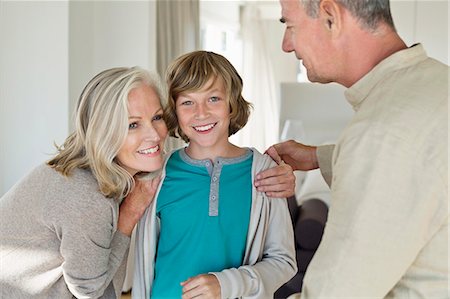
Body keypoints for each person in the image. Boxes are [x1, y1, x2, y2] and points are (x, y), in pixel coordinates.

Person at [261, 0, 449, 297]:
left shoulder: (381, 133)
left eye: (289, 25)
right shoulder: (438, 84)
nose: (286, 45)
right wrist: (318, 157)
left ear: (330, 17)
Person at [132, 50, 297, 299]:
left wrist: (227, 283)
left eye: (214, 99)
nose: (201, 113)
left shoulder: (265, 173)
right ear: (174, 111)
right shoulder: (157, 174)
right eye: (188, 102)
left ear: (232, 104)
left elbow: (284, 262)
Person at [0, 67, 168, 298]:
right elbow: (89, 291)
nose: (155, 134)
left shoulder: (93, 171)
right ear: (103, 132)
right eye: (132, 124)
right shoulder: (84, 192)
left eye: (157, 117)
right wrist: (128, 216)